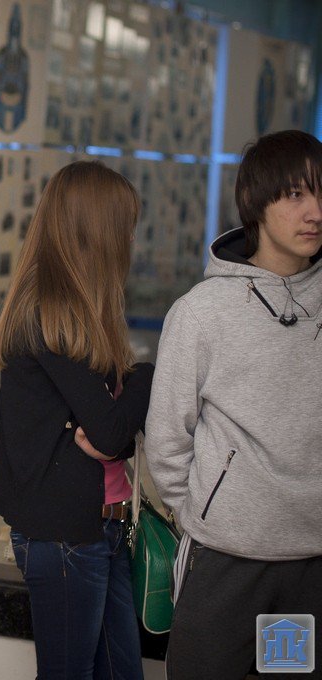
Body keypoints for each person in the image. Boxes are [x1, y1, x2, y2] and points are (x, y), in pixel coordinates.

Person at [145, 130, 322, 680]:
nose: (315, 212)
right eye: (296, 195)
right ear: (256, 204)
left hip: (309, 564)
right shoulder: (202, 311)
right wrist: (204, 515)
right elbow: (167, 438)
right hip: (224, 560)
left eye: (321, 194)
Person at [0, 160, 153, 679]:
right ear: (97, 232)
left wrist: (119, 419)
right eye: (124, 226)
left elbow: (110, 433)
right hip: (66, 535)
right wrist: (150, 374)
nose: (130, 240)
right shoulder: (50, 315)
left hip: (102, 527)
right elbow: (110, 430)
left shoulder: (82, 314)